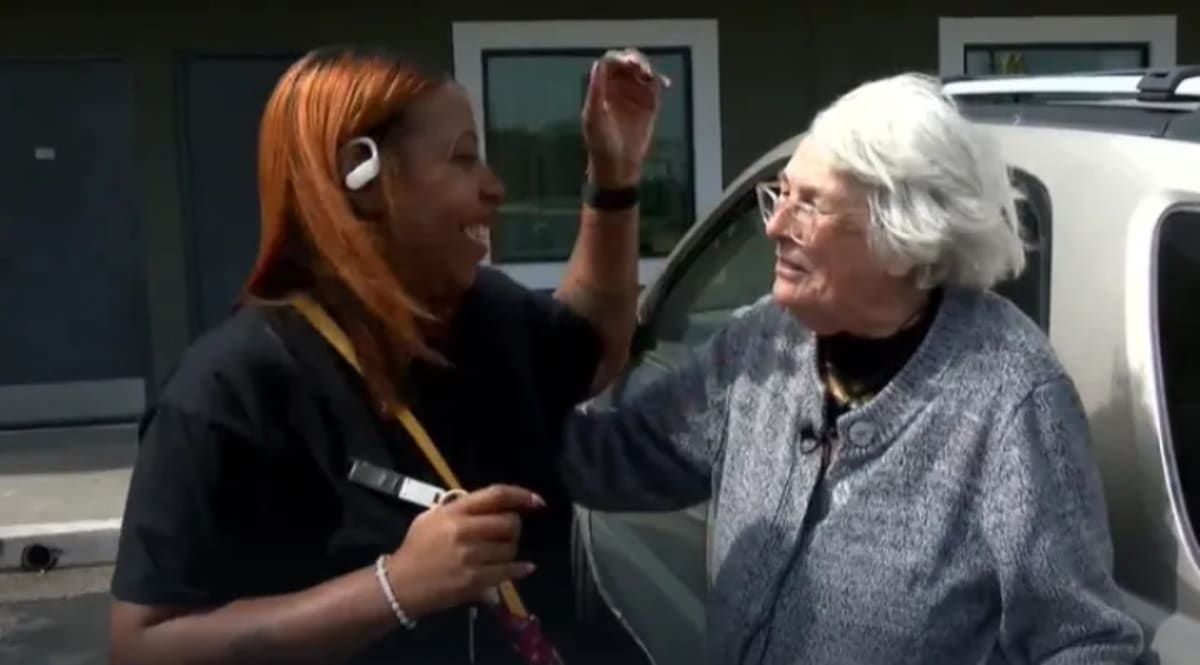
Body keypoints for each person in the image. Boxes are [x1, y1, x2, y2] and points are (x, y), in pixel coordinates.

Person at [560, 73, 1146, 664]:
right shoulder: (765, 341)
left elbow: (1087, 645)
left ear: (904, 231)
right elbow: (615, 459)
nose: (773, 226)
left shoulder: (1008, 393)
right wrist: (480, 361)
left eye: (808, 205)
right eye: (779, 194)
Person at [109, 44, 661, 665]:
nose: (495, 188)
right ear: (361, 175)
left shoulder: (488, 313)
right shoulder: (228, 390)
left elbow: (593, 341)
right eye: (464, 159)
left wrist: (613, 179)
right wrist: (393, 589)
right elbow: (144, 642)